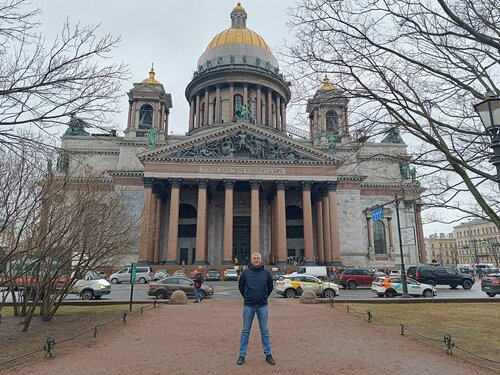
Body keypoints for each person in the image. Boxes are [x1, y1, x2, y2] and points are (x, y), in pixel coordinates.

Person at [237, 252, 275, 366]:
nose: (256, 260)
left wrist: (263, 296)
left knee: (264, 331)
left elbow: (270, 287)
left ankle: (268, 354)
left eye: (258, 258)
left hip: (262, 305)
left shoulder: (266, 273)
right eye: (255, 258)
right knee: (245, 331)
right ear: (251, 260)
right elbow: (241, 286)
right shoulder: (245, 273)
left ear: (261, 260)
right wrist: (248, 296)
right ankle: (242, 355)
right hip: (249, 305)